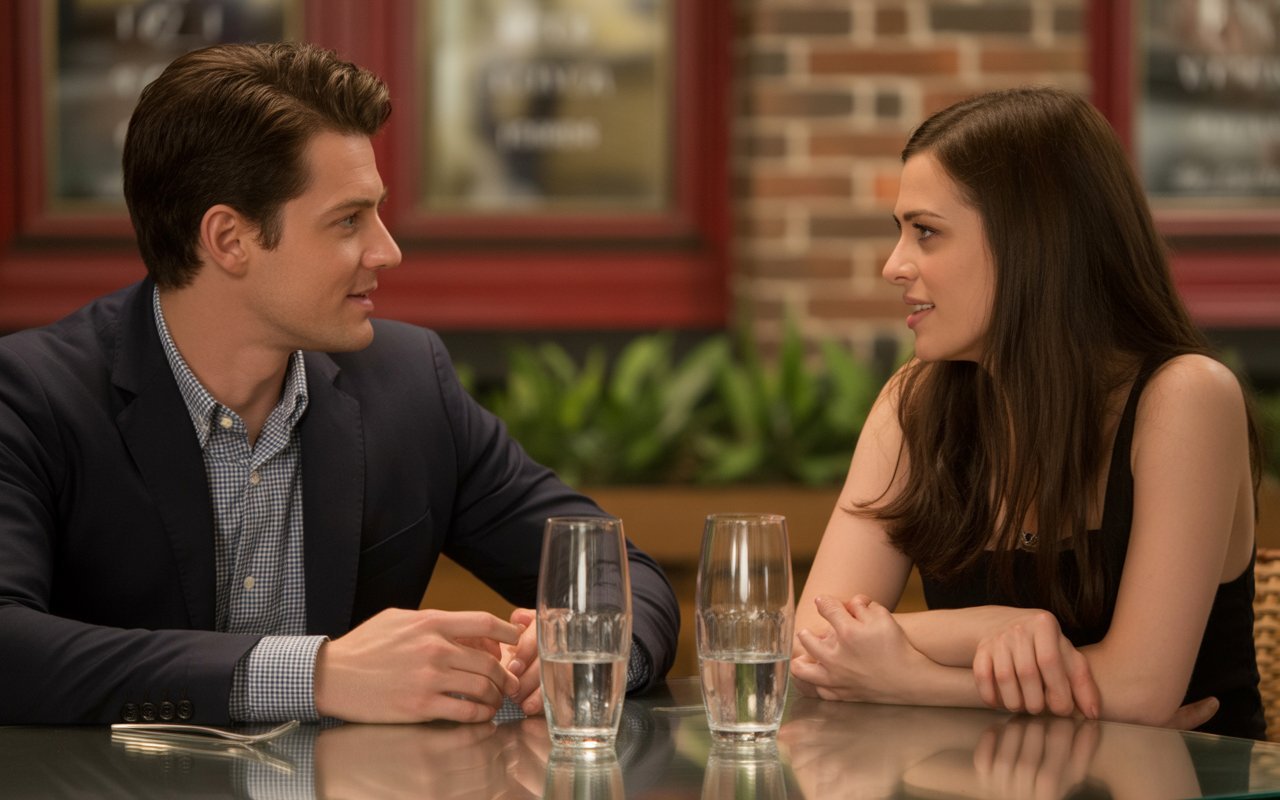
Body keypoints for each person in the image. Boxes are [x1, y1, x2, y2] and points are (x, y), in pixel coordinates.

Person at [0, 41, 679, 726]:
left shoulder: (410, 383)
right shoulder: (31, 398)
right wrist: (315, 676)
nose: (388, 250)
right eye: (349, 220)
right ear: (229, 240)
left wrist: (590, 649)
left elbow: (621, 575)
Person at [791, 86, 1265, 739]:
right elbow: (813, 646)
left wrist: (910, 677)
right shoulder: (915, 403)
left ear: (1032, 240)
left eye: (925, 232)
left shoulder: (1186, 397)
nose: (893, 265)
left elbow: (1140, 691)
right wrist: (998, 628)